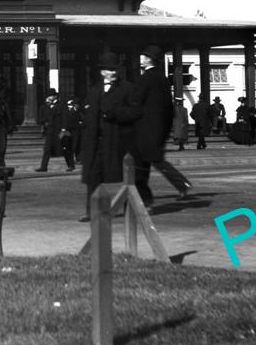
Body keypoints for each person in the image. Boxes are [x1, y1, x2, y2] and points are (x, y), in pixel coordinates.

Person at [78, 52, 142, 221]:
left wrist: (115, 113)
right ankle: (91, 212)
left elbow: (135, 112)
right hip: (95, 143)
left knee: (126, 177)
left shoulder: (128, 88)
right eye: (109, 69)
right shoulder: (94, 90)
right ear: (102, 72)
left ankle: (131, 210)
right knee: (93, 177)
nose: (113, 72)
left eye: (115, 69)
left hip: (117, 141)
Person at [131, 45, 194, 207]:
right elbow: (167, 107)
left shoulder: (145, 78)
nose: (140, 59)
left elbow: (136, 101)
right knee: (151, 161)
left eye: (143, 56)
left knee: (148, 161)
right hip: (158, 128)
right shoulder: (162, 78)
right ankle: (180, 185)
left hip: (146, 128)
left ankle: (146, 197)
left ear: (148, 59)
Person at [35, 90, 64, 172]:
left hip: (59, 131)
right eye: (48, 96)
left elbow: (63, 118)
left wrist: (63, 130)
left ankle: (70, 165)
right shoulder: (44, 106)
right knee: (47, 149)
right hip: (49, 131)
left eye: (51, 96)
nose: (49, 97)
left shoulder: (60, 105)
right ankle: (43, 167)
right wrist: (45, 122)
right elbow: (40, 118)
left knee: (64, 148)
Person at [60, 97, 82, 170]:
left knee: (72, 148)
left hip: (74, 131)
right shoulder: (64, 111)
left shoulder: (76, 111)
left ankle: (71, 165)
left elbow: (81, 119)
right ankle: (70, 164)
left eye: (71, 104)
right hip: (66, 131)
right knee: (66, 149)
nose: (70, 106)